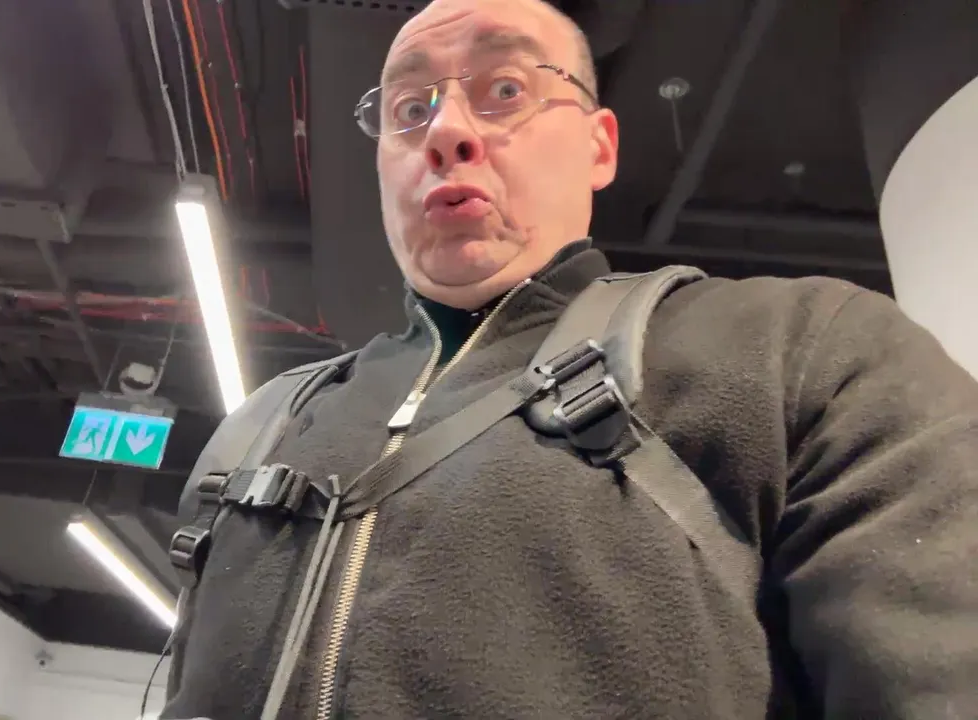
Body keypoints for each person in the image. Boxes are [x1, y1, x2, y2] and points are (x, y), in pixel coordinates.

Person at [159, 0, 978, 717]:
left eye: (505, 91)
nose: (444, 132)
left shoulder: (805, 353)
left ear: (598, 145)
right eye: (410, 108)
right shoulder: (265, 427)